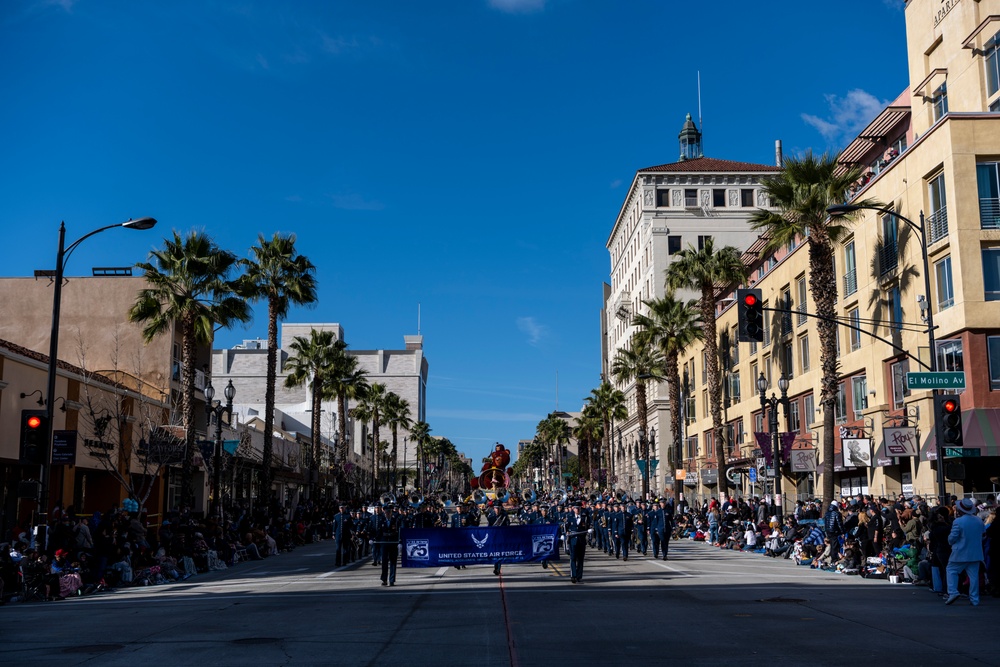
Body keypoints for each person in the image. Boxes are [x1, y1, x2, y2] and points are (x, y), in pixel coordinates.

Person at [945, 498, 985, 606]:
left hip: (960, 552)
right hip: (976, 553)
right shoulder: (978, 520)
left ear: (960, 510)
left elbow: (952, 538)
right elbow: (983, 534)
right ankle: (974, 599)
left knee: (951, 570)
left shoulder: (958, 521)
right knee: (973, 576)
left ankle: (953, 592)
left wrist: (950, 541)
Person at [377, 505, 401, 587]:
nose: (388, 514)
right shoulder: (381, 520)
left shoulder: (395, 521)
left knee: (393, 562)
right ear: (384, 513)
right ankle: (384, 579)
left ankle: (392, 580)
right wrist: (374, 539)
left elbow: (399, 531)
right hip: (384, 543)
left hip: (393, 542)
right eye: (386, 512)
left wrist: (399, 542)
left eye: (389, 512)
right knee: (384, 562)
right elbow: (378, 532)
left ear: (391, 513)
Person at [565, 504, 590, 583]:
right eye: (576, 508)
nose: (577, 510)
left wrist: (590, 530)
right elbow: (566, 527)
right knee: (573, 558)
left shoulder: (584, 517)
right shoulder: (570, 517)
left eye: (578, 508)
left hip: (581, 540)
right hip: (573, 540)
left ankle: (579, 576)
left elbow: (589, 526)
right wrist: (565, 534)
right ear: (573, 509)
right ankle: (573, 575)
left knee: (580, 559)